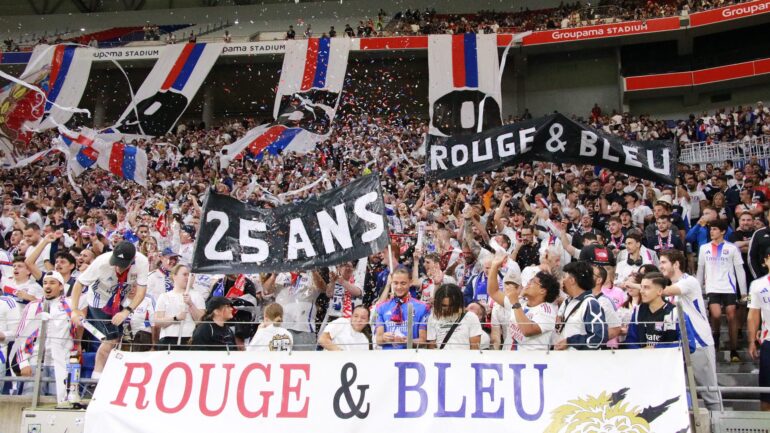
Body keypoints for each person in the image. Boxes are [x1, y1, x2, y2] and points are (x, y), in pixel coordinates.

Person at [70, 241, 149, 378]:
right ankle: (97, 375)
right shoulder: (101, 262)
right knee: (111, 338)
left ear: (133, 260)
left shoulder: (142, 262)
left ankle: (105, 372)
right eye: (116, 263)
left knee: (116, 339)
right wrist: (74, 309)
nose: (118, 268)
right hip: (99, 300)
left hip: (120, 300)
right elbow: (79, 284)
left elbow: (141, 292)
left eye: (122, 265)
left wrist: (126, 311)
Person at [659, 250, 721, 411]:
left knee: (710, 393)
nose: (661, 266)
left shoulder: (689, 281)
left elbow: (664, 291)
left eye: (664, 262)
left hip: (700, 342)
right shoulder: (671, 285)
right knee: (681, 393)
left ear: (676, 264)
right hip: (680, 344)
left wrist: (638, 285)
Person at [15, 272, 75, 406]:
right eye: (45, 283)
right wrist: (23, 363)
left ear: (61, 286)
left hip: (60, 363)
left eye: (52, 283)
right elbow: (21, 335)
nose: (47, 286)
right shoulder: (32, 306)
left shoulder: (70, 305)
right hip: (35, 362)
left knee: (59, 404)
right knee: (29, 404)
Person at [697, 219, 746, 362]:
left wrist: (743, 292)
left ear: (723, 231)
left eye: (714, 229)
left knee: (731, 316)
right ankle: (716, 336)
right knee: (716, 315)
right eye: (710, 229)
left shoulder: (732, 248)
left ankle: (734, 350)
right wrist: (699, 290)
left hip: (729, 288)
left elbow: (740, 270)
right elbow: (700, 270)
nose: (711, 231)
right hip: (712, 288)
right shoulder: (703, 248)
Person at [487, 255, 560, 350]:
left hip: (530, 362)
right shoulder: (521, 301)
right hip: (508, 359)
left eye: (533, 282)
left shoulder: (547, 311)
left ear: (543, 290)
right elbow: (494, 292)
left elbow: (527, 330)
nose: (528, 283)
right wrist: (494, 266)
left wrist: (515, 303)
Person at [262, 270, 325, 351]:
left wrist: (313, 270)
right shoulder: (280, 276)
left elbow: (323, 288)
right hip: (281, 328)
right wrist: (273, 275)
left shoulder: (311, 275)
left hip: (304, 328)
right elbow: (266, 291)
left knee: (304, 361)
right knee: (281, 360)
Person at [554, 261, 607, 350]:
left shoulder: (590, 304)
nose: (562, 281)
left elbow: (598, 338)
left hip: (581, 361)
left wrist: (570, 341)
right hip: (563, 360)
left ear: (572, 280)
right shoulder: (567, 301)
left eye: (564, 277)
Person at [375, 268, 429, 349]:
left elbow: (423, 340)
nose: (399, 287)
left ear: (410, 283)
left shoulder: (422, 307)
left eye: (403, 283)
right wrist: (384, 338)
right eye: (395, 283)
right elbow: (378, 340)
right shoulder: (381, 307)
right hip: (387, 358)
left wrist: (408, 341)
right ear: (391, 283)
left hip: (411, 357)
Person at [154, 264, 204, 350]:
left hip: (189, 338)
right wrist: (176, 318)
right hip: (168, 338)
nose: (187, 277)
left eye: (189, 275)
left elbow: (201, 321)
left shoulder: (197, 295)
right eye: (184, 274)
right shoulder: (164, 296)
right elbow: (157, 322)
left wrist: (191, 304)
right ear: (174, 276)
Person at [626, 272, 680, 349]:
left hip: (668, 360)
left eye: (646, 287)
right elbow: (631, 341)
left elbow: (688, 344)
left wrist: (656, 349)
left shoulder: (675, 313)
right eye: (641, 287)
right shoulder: (638, 311)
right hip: (643, 359)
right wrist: (641, 351)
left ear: (660, 291)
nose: (641, 291)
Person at [748, 246, 770, 411]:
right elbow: (753, 315)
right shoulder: (756, 285)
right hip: (768, 342)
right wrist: (751, 342)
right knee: (766, 393)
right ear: (766, 261)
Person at [427, 283, 482, 350]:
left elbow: (475, 348)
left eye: (451, 305)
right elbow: (431, 346)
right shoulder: (433, 317)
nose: (448, 309)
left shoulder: (471, 317)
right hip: (441, 358)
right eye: (444, 306)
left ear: (458, 303)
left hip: (464, 359)